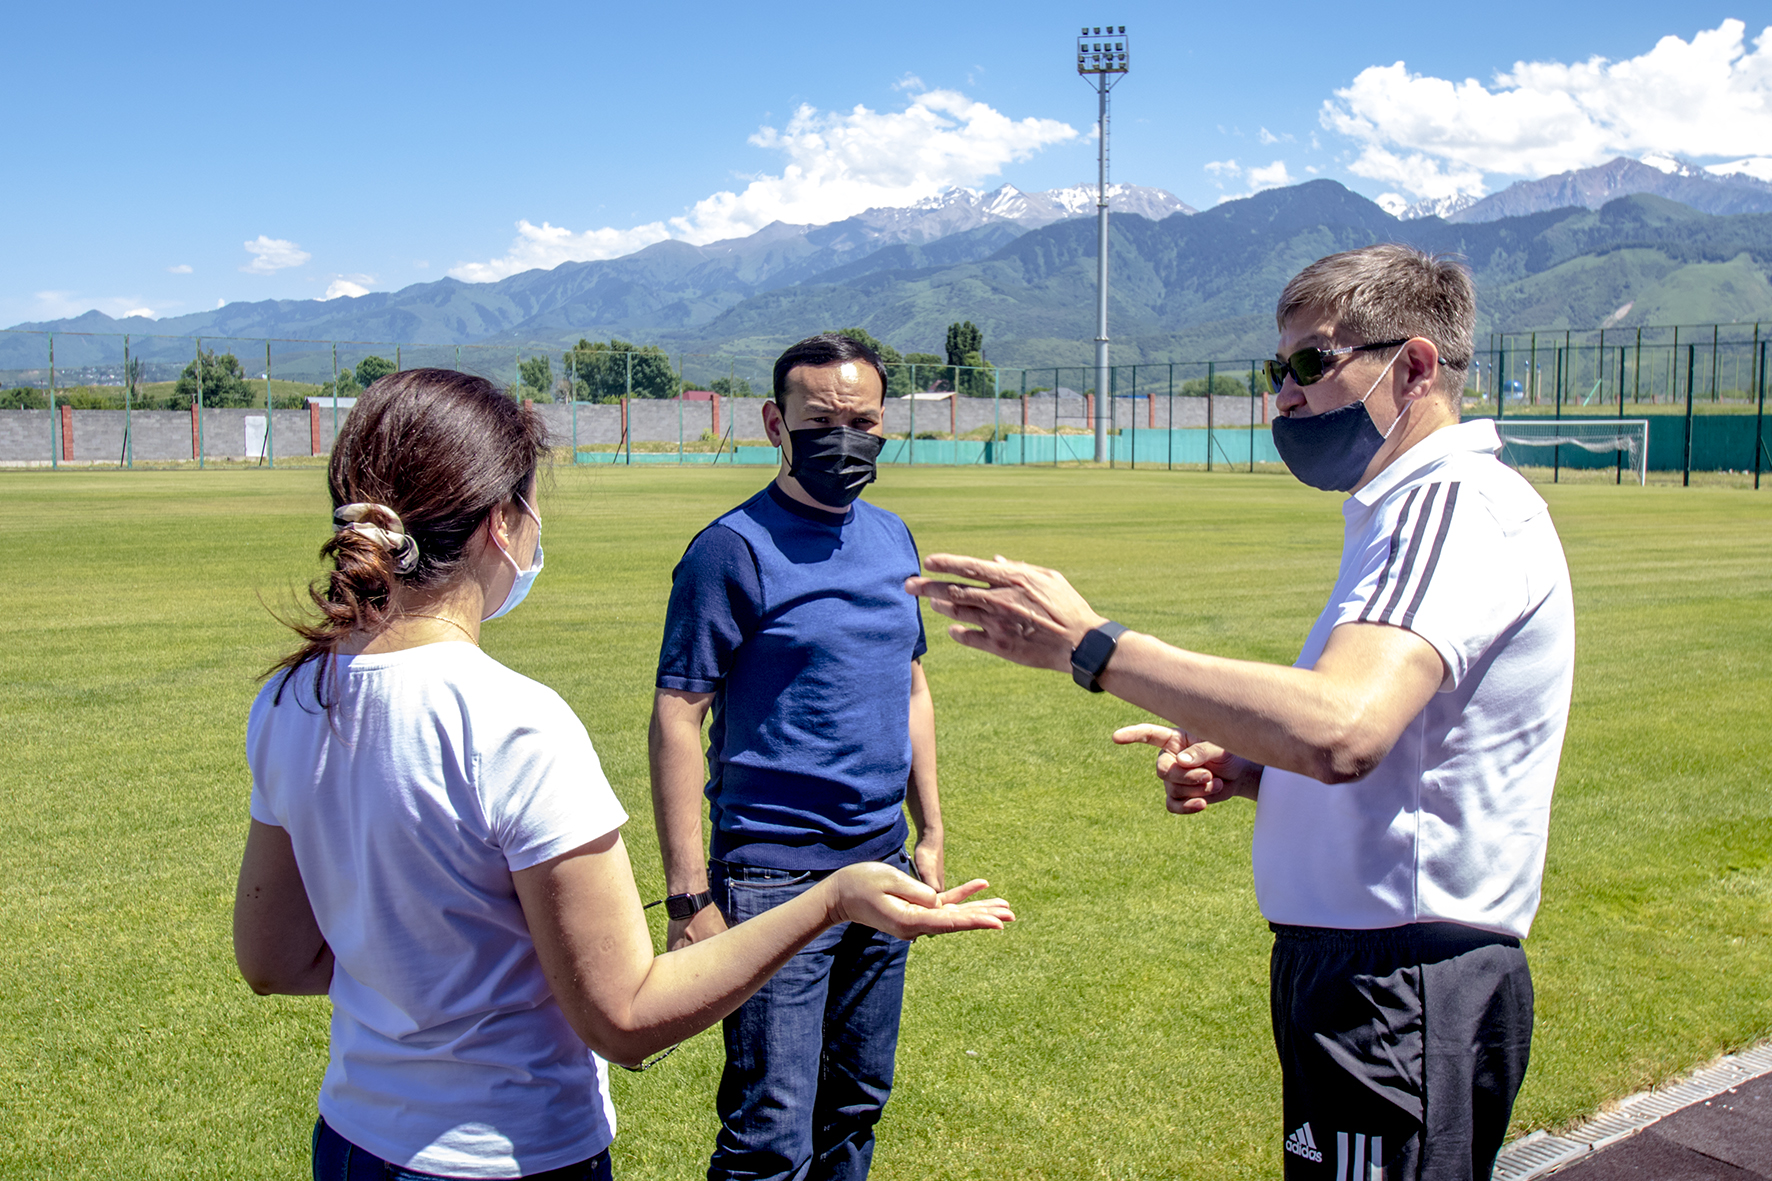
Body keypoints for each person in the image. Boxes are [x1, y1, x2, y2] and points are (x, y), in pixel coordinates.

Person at [232, 368, 1011, 1181]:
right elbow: (627, 1015)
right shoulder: (514, 723)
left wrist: (417, 978)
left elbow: (274, 959)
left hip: (355, 1141)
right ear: (502, 521)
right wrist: (832, 898)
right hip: (513, 1152)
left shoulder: (294, 695)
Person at [907, 245, 1575, 1181]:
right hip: (1359, 968)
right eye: (1278, 369)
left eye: (1313, 362)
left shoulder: (1453, 504)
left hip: (1400, 978)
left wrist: (1091, 646)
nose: (1286, 395)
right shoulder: (1401, 512)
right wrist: (1257, 767)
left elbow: (1342, 727)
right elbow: (1395, 743)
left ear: (1414, 366)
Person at [649, 333, 942, 1181]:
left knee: (855, 1104)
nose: (844, 437)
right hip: (772, 878)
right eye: (822, 420)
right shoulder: (730, 549)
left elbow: (912, 687)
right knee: (768, 1131)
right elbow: (679, 715)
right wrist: (687, 895)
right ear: (776, 421)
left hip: (883, 866)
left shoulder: (892, 538)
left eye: (863, 421)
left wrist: (931, 829)